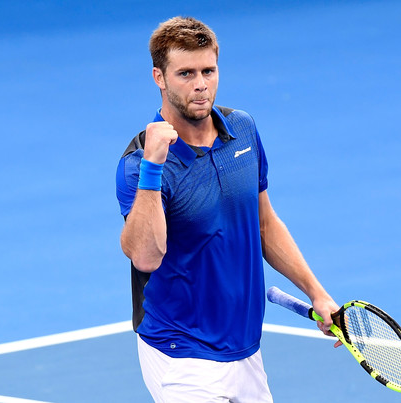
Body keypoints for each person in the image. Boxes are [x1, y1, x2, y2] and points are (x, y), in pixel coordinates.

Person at [116, 16, 339, 402]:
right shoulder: (140, 163)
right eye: (185, 73)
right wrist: (153, 168)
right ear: (159, 77)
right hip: (181, 353)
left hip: (245, 349)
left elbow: (264, 225)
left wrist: (316, 292)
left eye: (208, 70)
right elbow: (146, 256)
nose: (201, 84)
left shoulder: (243, 129)